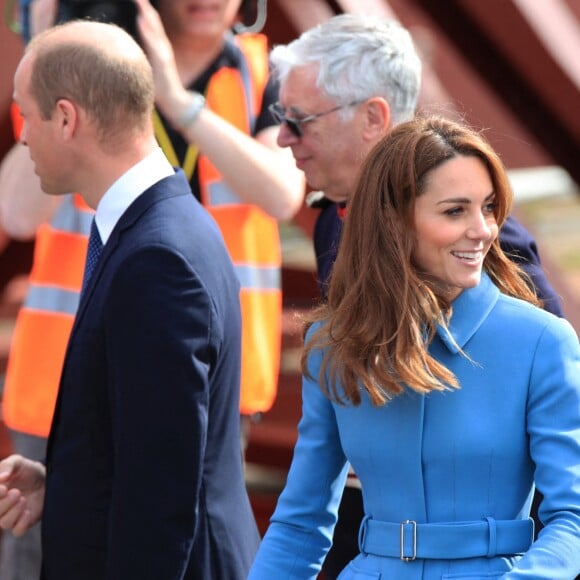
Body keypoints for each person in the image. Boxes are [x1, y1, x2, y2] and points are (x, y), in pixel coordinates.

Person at [267, 14, 565, 578]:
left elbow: (538, 399)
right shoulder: (336, 224)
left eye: (299, 120)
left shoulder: (502, 272)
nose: (284, 136)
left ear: (373, 118)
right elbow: (301, 516)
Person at [0, 19, 259, 580]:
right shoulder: (161, 226)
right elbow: (145, 441)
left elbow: (160, 498)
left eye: (28, 115)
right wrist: (63, 482)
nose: (22, 136)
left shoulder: (156, 258)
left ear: (66, 118)